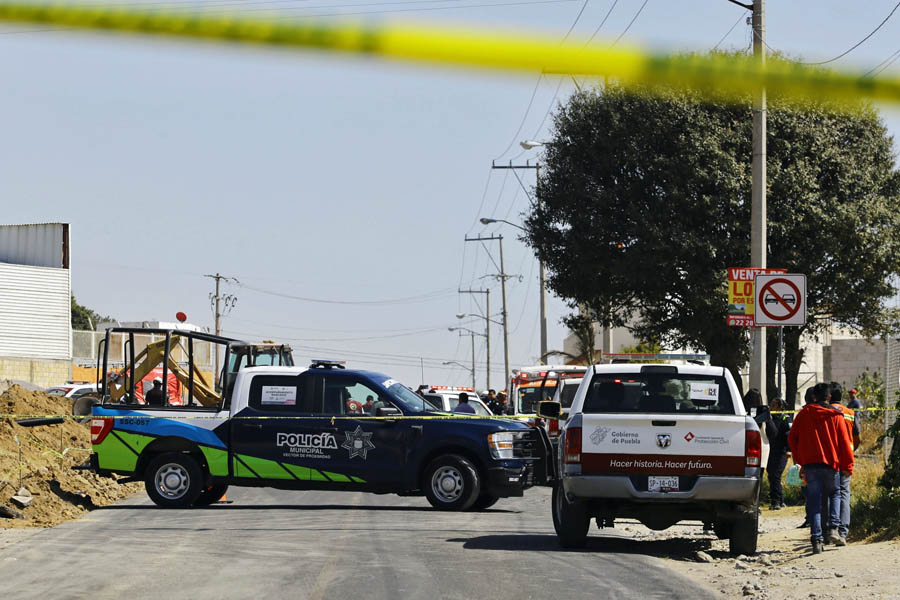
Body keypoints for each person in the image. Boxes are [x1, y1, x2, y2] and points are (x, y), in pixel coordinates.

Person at [788, 382, 854, 554]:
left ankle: (816, 540)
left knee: (814, 501)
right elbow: (845, 444)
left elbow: (792, 437)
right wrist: (848, 466)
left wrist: (799, 459)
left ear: (814, 397)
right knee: (835, 493)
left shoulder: (803, 414)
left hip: (810, 465)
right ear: (829, 397)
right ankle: (833, 528)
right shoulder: (836, 416)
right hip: (831, 465)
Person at [828, 381, 860, 546]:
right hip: (846, 457)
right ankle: (843, 532)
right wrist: (851, 450)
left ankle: (829, 530)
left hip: (829, 458)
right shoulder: (849, 412)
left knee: (830, 493)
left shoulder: (825, 411)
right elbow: (857, 436)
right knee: (844, 493)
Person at [766, 394, 793, 510]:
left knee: (775, 475)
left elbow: (790, 435)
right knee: (772, 476)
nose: (771, 407)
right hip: (771, 451)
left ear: (780, 407)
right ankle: (780, 500)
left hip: (782, 452)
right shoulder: (770, 418)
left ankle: (776, 501)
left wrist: (789, 450)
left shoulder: (785, 418)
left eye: (773, 405)